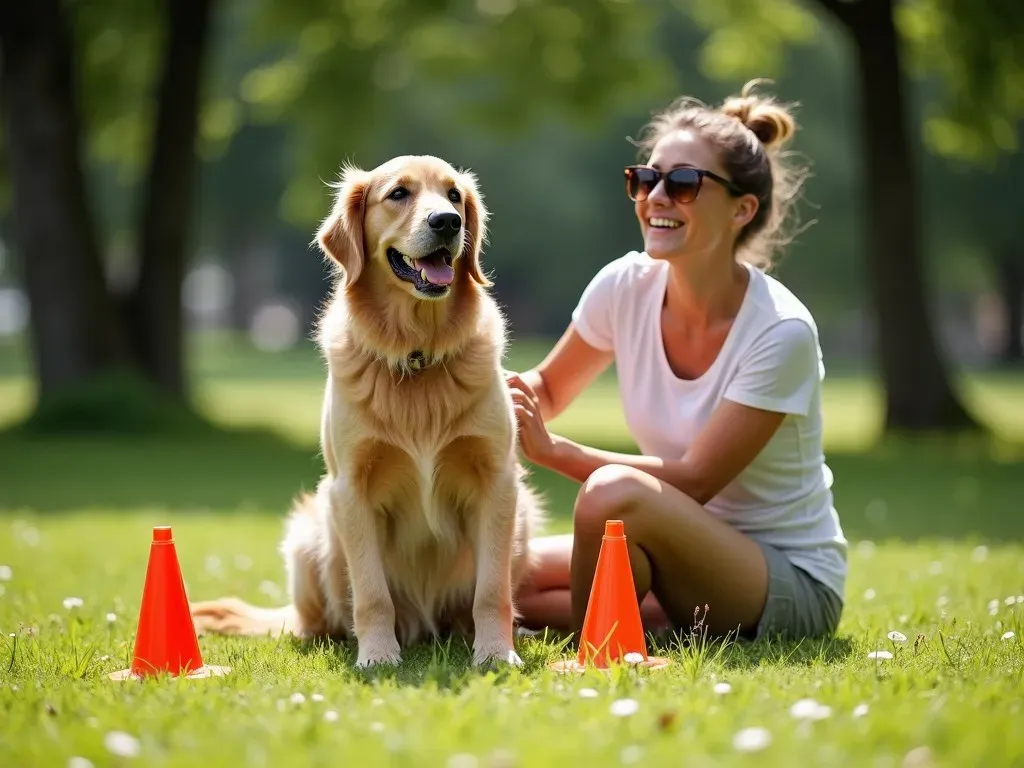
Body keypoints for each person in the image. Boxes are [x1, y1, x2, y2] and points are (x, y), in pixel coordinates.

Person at [506, 80, 847, 643]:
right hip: (672, 542)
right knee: (492, 573)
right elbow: (544, 388)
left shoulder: (781, 331)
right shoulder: (624, 285)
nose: (656, 196)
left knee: (611, 494)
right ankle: (651, 620)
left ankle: (603, 644)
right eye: (646, 178)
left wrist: (554, 451)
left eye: (684, 183)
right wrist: (477, 389)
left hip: (786, 582)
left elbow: (694, 479)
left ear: (743, 209)